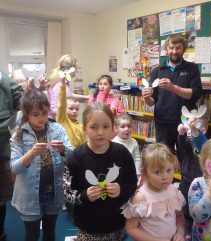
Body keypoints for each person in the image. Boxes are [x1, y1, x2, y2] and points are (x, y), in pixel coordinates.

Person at [63, 102, 137, 241]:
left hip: (116, 224)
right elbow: (67, 192)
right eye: (93, 127)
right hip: (87, 225)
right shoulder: (76, 157)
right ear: (84, 128)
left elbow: (132, 183)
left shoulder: (122, 153)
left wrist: (121, 190)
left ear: (113, 128)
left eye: (105, 126)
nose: (100, 132)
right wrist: (84, 196)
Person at [10, 89, 73, 241]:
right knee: (31, 235)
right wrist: (30, 154)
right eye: (35, 114)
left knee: (50, 232)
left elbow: (73, 155)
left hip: (54, 193)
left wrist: (63, 148)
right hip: (30, 196)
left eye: (44, 113)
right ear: (27, 114)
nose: (41, 118)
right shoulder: (19, 135)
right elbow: (14, 167)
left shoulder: (57, 129)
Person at [141, 34, 202, 153]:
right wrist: (146, 97)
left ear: (183, 49)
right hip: (163, 121)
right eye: (171, 48)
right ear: (166, 50)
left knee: (187, 160)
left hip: (186, 122)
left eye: (178, 48)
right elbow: (152, 101)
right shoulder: (157, 71)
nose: (174, 51)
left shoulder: (192, 68)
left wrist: (174, 88)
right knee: (163, 158)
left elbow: (196, 93)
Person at [122, 143, 185, 241]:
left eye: (169, 170)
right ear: (145, 174)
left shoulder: (174, 191)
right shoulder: (141, 198)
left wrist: (180, 233)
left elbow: (179, 216)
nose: (165, 177)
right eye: (157, 172)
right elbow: (131, 228)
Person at [0, 71, 24, 241]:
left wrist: (33, 93)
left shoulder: (3, 79)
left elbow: (21, 98)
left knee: (0, 199)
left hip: (1, 149)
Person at [177, 117, 207, 240]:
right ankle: (187, 229)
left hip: (200, 184)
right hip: (186, 180)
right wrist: (181, 134)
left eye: (193, 129)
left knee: (198, 207)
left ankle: (197, 230)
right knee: (184, 207)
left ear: (203, 130)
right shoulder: (188, 142)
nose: (190, 131)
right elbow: (181, 147)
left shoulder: (205, 145)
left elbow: (204, 148)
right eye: (189, 128)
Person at [47, 54, 89, 121]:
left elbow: (69, 95)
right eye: (75, 70)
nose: (76, 73)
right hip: (56, 121)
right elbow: (54, 110)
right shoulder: (59, 85)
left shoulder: (64, 84)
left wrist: (86, 97)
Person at [56, 76, 85, 148]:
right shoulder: (63, 120)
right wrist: (63, 86)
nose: (74, 111)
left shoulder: (81, 125)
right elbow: (61, 105)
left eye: (77, 109)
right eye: (71, 109)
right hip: (66, 156)